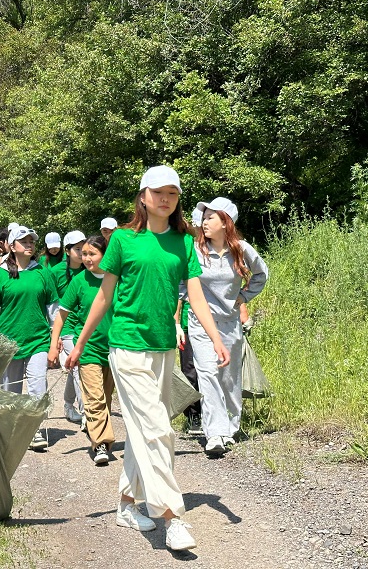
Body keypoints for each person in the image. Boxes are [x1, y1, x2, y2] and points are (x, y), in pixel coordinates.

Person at [66, 165, 230, 552]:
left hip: (163, 347)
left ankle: (127, 504)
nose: (165, 199)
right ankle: (172, 517)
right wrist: (79, 343)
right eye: (158, 192)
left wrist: (215, 337)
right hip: (126, 346)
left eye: (172, 193)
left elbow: (194, 293)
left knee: (144, 429)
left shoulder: (183, 242)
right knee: (159, 428)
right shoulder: (124, 239)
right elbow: (104, 295)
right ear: (143, 196)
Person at [187, 197, 268, 456]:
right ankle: (215, 433)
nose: (204, 222)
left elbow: (262, 274)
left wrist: (243, 297)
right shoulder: (194, 250)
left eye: (210, 217)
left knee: (229, 378)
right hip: (200, 323)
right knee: (208, 373)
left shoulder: (241, 249)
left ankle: (231, 428)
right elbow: (180, 282)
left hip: (230, 323)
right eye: (203, 217)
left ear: (225, 222)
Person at [0, 225, 58, 451]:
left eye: (32, 241)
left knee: (37, 387)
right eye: (24, 241)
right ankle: (11, 430)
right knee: (10, 390)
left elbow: (53, 309)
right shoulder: (2, 274)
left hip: (38, 340)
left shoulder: (43, 273)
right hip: (9, 341)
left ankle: (33, 430)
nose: (29, 245)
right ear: (12, 246)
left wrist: (56, 338)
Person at [50, 235, 114, 465]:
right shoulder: (78, 281)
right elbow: (61, 315)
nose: (86, 258)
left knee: (106, 397)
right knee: (94, 397)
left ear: (105, 255)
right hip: (87, 348)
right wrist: (54, 345)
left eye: (92, 254)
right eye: (84, 254)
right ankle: (101, 444)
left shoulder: (117, 278)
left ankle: (99, 433)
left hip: (115, 348)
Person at [49, 231, 86, 427]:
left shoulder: (90, 270)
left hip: (86, 327)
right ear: (67, 250)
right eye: (77, 249)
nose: (82, 253)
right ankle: (87, 415)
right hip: (67, 328)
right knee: (80, 366)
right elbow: (49, 304)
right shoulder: (55, 272)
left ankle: (68, 405)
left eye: (84, 248)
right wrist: (54, 335)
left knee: (74, 366)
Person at [175, 207, 204, 435]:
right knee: (190, 370)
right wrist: (176, 323)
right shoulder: (185, 248)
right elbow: (178, 291)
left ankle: (215, 415)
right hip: (187, 322)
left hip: (214, 322)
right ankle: (194, 415)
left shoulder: (220, 251)